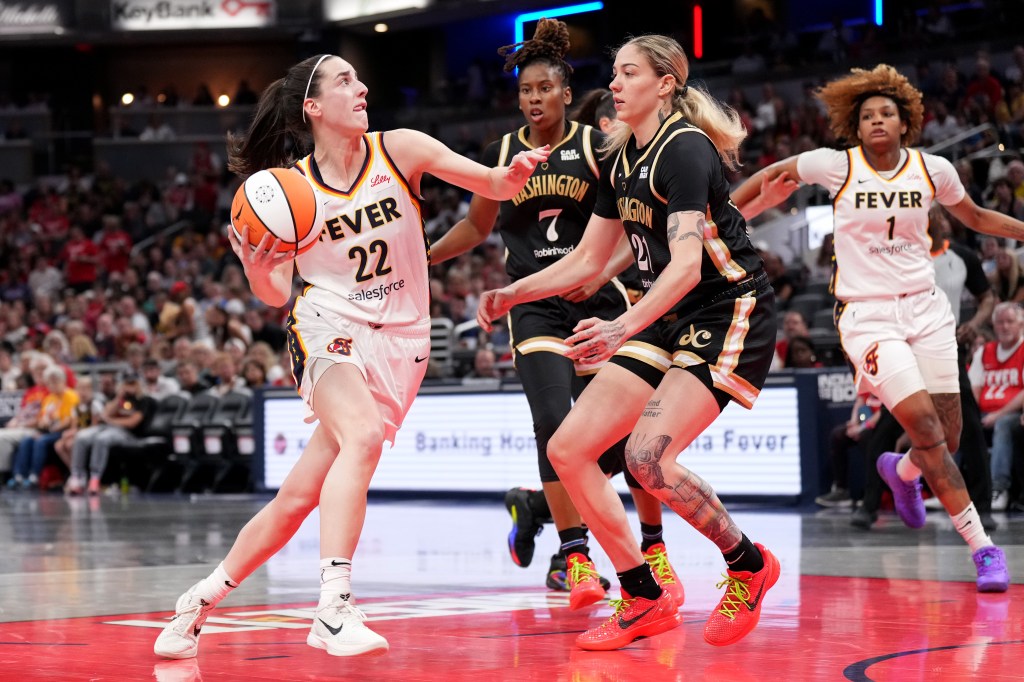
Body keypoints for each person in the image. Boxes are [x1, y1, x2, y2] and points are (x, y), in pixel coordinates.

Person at [154, 53, 549, 660]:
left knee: (297, 497)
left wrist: (514, 173)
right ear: (312, 107)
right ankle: (333, 607)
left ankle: (195, 605)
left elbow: (490, 185)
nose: (362, 87)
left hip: (404, 339)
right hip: (326, 325)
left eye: (359, 77)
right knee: (361, 437)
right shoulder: (289, 191)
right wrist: (255, 265)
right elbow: (275, 294)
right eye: (344, 80)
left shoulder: (403, 148)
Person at [477, 34, 781, 651]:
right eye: (614, 73)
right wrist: (514, 293)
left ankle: (748, 565)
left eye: (629, 73)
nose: (614, 83)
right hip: (666, 316)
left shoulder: (686, 149)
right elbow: (589, 257)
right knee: (568, 449)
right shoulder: (621, 157)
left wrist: (621, 325)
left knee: (646, 457)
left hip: (727, 309)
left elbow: (689, 266)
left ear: (666, 83)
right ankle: (643, 595)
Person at [734, 64, 1024, 592]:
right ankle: (984, 550)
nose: (877, 121)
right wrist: (724, 215)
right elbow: (772, 174)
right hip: (868, 316)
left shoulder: (932, 169)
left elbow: (977, 218)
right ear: (855, 124)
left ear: (906, 120)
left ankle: (903, 473)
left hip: (927, 309)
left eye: (886, 113)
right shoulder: (834, 165)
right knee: (929, 432)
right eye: (867, 115)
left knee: (950, 436)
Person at [430, 19, 684, 608]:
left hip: (600, 303)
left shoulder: (597, 148)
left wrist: (601, 274)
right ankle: (575, 557)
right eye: (526, 90)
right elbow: (475, 225)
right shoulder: (502, 153)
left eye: (545, 88)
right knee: (552, 424)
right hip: (536, 306)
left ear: (567, 94)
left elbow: (632, 224)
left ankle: (648, 546)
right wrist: (425, 254)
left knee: (623, 440)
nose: (535, 98)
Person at [969, 302, 1024, 511]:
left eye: (1010, 322)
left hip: (1011, 414)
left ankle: (999, 488)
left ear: (1020, 325)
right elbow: (975, 388)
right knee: (959, 424)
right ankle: (951, 490)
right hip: (984, 412)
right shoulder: (984, 352)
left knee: (1003, 425)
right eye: (1000, 322)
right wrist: (970, 415)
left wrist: (998, 414)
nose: (1004, 327)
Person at [66, 374, 156, 495]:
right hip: (108, 428)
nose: (130, 387)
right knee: (82, 436)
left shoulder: (145, 400)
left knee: (101, 439)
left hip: (129, 434)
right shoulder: (119, 398)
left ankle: (95, 478)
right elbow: (105, 414)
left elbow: (132, 422)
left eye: (133, 383)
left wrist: (111, 421)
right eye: (127, 383)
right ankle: (77, 477)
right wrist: (119, 397)